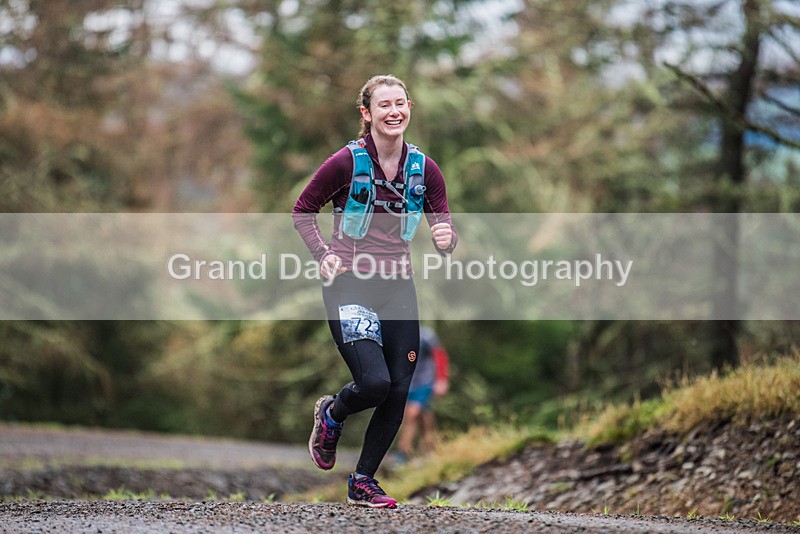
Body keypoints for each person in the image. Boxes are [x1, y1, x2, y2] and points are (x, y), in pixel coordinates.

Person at [292, 74, 457, 509]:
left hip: (398, 286)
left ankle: (363, 480)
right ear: (367, 113)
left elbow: (444, 226)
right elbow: (303, 210)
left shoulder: (425, 168)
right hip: (349, 284)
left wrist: (445, 238)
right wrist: (322, 252)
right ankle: (332, 413)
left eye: (400, 103)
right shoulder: (345, 163)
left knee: (399, 389)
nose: (394, 111)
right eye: (384, 104)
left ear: (409, 108)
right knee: (374, 383)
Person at [395, 325, 450, 464]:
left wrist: (442, 379)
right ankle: (431, 447)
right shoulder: (395, 336)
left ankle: (402, 452)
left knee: (411, 414)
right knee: (423, 416)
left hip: (425, 382)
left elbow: (439, 356)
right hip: (408, 383)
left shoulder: (425, 335)